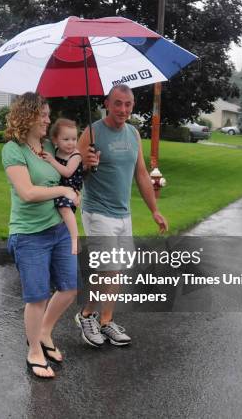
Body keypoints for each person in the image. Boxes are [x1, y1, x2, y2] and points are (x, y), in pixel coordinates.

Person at [74, 84, 168, 347]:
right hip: (97, 211)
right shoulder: (92, 132)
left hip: (123, 213)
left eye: (128, 104)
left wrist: (154, 210)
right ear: (107, 103)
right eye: (117, 103)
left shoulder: (133, 134)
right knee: (110, 269)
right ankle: (85, 315)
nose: (123, 109)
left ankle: (105, 321)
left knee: (117, 270)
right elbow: (72, 173)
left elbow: (140, 173)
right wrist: (86, 165)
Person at [2, 92, 78, 378]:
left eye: (48, 114)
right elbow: (28, 192)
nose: (48, 119)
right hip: (29, 235)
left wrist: (83, 168)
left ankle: (44, 332)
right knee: (37, 297)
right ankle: (34, 350)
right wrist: (62, 190)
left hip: (58, 229)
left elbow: (68, 169)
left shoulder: (47, 145)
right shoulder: (13, 149)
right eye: (43, 114)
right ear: (28, 116)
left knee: (69, 287)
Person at [41, 118, 83, 255]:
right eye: (66, 139)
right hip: (60, 189)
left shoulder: (75, 156)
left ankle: (75, 240)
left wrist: (52, 161)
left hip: (71, 189)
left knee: (64, 209)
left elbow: (67, 172)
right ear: (55, 140)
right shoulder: (56, 150)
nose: (71, 143)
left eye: (74, 139)